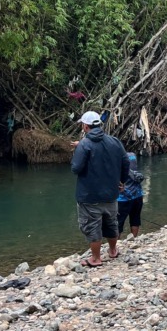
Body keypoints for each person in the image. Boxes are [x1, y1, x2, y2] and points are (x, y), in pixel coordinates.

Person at [71, 111, 130, 268]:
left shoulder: (84, 144)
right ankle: (112, 250)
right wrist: (122, 181)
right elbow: (126, 162)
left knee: (92, 225)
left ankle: (96, 258)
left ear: (85, 126)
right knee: (111, 222)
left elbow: (76, 168)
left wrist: (78, 150)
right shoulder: (114, 141)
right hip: (111, 193)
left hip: (90, 195)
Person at [117, 152, 144, 238]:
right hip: (138, 195)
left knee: (118, 222)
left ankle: (116, 243)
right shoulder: (132, 155)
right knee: (135, 219)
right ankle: (134, 238)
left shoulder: (117, 158)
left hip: (123, 198)